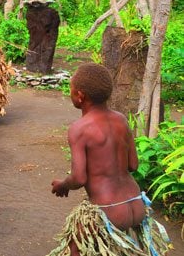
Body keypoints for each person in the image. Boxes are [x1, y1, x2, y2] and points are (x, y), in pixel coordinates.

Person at [47, 63, 171, 256]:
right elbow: (133, 165)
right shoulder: (121, 119)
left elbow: (79, 178)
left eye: (70, 90)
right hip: (136, 204)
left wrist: (63, 185)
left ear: (80, 96)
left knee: (75, 249)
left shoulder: (79, 129)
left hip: (109, 210)